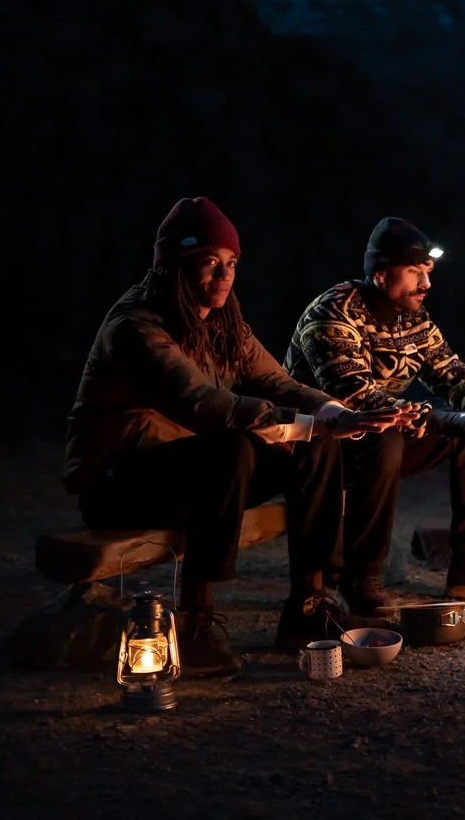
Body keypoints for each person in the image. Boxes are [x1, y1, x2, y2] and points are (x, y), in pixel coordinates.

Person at [66, 197, 409, 677]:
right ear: (176, 265)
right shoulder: (137, 326)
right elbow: (204, 404)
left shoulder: (222, 321)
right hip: (119, 482)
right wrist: (305, 422)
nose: (224, 274)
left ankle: (308, 605)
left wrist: (336, 413)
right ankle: (196, 621)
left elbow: (274, 380)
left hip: (192, 471)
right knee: (231, 446)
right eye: (210, 262)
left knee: (316, 445)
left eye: (231, 263)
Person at [285, 217, 465, 614]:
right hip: (321, 446)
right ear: (381, 274)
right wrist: (450, 420)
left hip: (387, 431)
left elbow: (450, 372)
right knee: (385, 438)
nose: (426, 284)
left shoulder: (412, 316)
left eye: (428, 272)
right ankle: (361, 577)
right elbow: (360, 401)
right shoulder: (332, 315)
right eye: (415, 272)